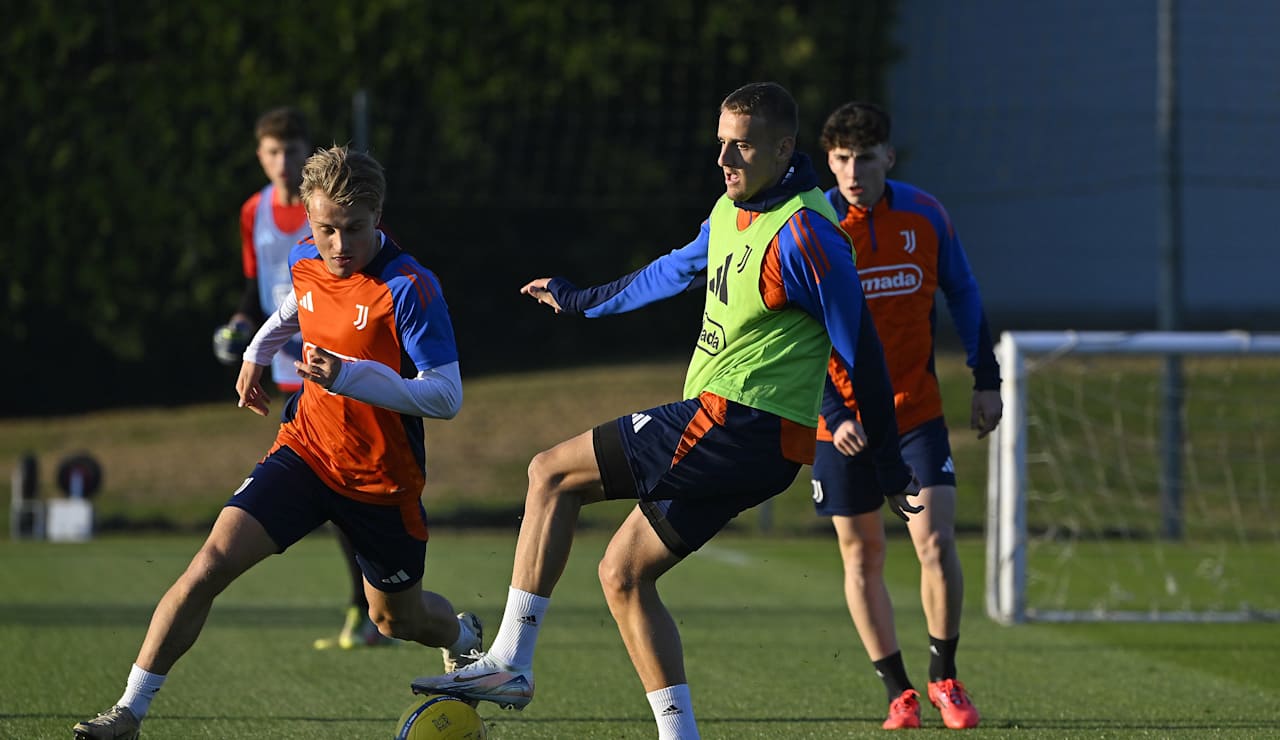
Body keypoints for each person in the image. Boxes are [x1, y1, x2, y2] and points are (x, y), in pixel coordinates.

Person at [409, 82, 922, 740]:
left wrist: (889, 464)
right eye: (720, 144)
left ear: (784, 149)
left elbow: (865, 356)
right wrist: (579, 299)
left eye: (741, 145)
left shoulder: (808, 235)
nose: (724, 159)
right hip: (750, 447)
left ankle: (508, 661)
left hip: (738, 424)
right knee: (622, 575)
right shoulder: (732, 210)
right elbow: (668, 272)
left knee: (549, 474)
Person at [74, 146, 483, 740]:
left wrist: (347, 375)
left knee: (397, 619)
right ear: (309, 224)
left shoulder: (410, 288)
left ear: (379, 216)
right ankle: (129, 712)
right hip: (306, 449)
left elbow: (445, 396)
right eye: (326, 231)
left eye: (354, 230)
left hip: (379, 479)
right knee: (209, 564)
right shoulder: (305, 256)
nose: (339, 246)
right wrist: (256, 352)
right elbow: (297, 304)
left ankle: (462, 637)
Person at [811, 101, 1001, 730]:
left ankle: (945, 676)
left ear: (888, 157)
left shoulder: (925, 214)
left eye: (865, 157)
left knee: (935, 539)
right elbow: (791, 331)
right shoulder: (814, 224)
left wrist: (986, 378)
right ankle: (898, 692)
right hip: (840, 425)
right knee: (861, 554)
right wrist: (834, 412)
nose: (853, 170)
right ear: (829, 162)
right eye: (841, 159)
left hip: (914, 413)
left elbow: (964, 291)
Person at [223, 106, 389, 651]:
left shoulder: (331, 213)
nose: (281, 160)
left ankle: (371, 607)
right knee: (324, 490)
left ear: (305, 155)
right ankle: (370, 607)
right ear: (259, 156)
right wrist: (246, 329)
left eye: (291, 151)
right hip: (282, 364)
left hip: (332, 365)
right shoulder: (254, 211)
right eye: (271, 151)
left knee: (341, 491)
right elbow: (256, 286)